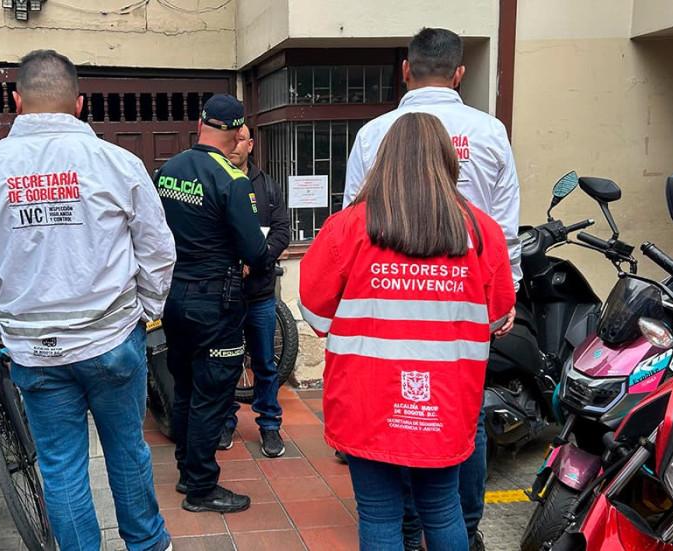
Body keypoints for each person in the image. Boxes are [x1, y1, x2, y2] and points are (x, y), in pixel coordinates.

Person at [0, 49, 175, 551]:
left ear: (16, 101)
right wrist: (147, 311)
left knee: (61, 465)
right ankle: (148, 544)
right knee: (127, 452)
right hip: (114, 340)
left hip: (35, 350)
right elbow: (158, 251)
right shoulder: (119, 164)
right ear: (79, 103)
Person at [301, 112, 516, 551]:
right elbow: (497, 316)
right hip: (447, 400)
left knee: (379, 513)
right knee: (441, 507)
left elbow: (315, 312)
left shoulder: (347, 227)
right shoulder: (482, 232)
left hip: (365, 399)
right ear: (448, 162)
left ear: (385, 160)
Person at [342, 27, 520, 551]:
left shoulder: (375, 133)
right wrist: (500, 299)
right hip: (466, 305)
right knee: (464, 412)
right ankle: (465, 524)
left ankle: (406, 525)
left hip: (382, 307)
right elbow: (505, 227)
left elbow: (354, 220)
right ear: (459, 73)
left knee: (386, 416)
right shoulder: (488, 131)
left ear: (405, 69)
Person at [154, 94, 270, 514]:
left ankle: (188, 470)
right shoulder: (232, 179)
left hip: (174, 296)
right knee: (212, 395)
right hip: (215, 302)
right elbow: (256, 252)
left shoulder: (169, 170)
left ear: (200, 122)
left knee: (184, 385)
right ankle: (202, 487)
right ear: (239, 130)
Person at [219, 126, 291, 457]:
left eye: (241, 139)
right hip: (225, 294)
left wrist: (257, 258)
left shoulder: (268, 187)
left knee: (264, 363)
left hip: (260, 293)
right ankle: (225, 424)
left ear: (251, 144)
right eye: (230, 138)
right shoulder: (214, 179)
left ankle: (270, 426)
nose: (234, 145)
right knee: (225, 364)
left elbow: (281, 231)